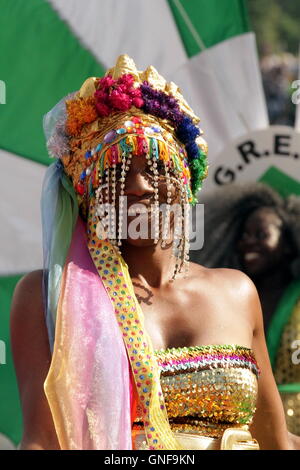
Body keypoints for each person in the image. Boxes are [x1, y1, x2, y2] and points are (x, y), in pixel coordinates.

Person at [10, 55, 298, 450]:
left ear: (185, 182)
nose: (139, 188)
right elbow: (42, 441)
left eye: (157, 169)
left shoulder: (237, 292)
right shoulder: (49, 298)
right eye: (115, 171)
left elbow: (276, 440)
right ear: (86, 193)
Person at [190, 182, 300, 436]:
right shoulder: (229, 301)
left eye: (261, 235)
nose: (248, 243)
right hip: (248, 435)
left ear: (288, 244)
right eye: (244, 236)